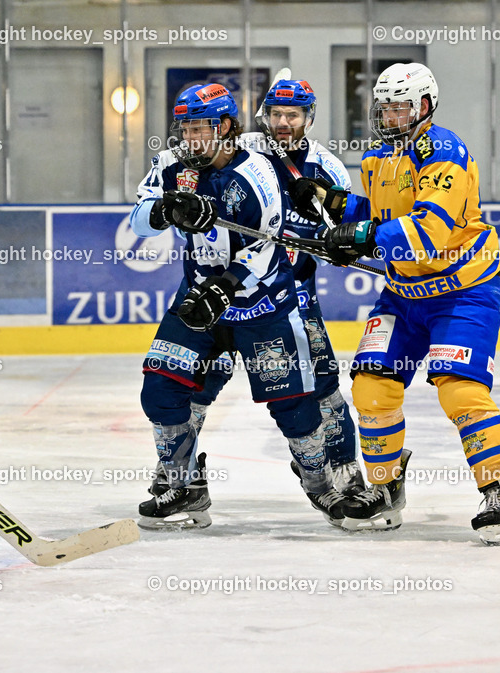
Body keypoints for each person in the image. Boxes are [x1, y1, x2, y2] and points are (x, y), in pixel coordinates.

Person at [298, 63, 500, 545]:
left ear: (425, 106)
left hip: (461, 292)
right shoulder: (380, 157)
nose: (388, 114)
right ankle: (385, 492)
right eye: (383, 106)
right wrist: (339, 205)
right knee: (370, 384)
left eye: (399, 105)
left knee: (460, 390)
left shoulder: (441, 149)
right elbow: (386, 215)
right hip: (404, 295)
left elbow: (426, 230)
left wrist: (360, 237)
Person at [137, 79, 367, 510]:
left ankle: (339, 473)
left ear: (308, 118)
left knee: (313, 390)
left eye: (293, 115)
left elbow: (332, 228)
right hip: (207, 297)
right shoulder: (235, 150)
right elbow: (146, 213)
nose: (284, 122)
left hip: (282, 293)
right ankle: (180, 475)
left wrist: (333, 234)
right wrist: (168, 208)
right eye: (277, 114)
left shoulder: (320, 166)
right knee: (187, 387)